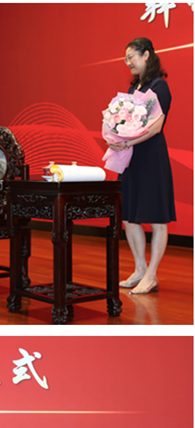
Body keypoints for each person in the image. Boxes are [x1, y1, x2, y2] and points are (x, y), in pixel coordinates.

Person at [108, 37, 175, 295]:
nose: (128, 63)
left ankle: (152, 275)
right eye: (125, 59)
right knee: (129, 216)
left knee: (157, 218)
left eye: (131, 57)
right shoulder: (134, 88)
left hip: (151, 157)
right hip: (131, 158)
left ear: (146, 55)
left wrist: (128, 142)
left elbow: (156, 127)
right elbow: (124, 122)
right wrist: (115, 137)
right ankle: (139, 268)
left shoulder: (159, 86)